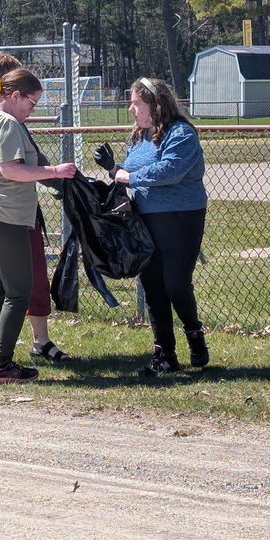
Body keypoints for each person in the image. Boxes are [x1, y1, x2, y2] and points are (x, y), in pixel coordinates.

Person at [0, 53, 74, 369]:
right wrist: (55, 171)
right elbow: (10, 170)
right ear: (14, 95)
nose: (31, 111)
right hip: (3, 217)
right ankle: (2, 364)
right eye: (31, 103)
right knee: (18, 293)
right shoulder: (6, 122)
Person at [94, 77, 209, 376]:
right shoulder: (140, 137)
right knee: (153, 285)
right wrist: (112, 169)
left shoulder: (180, 133)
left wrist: (126, 178)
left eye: (136, 103)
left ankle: (194, 334)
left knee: (176, 282)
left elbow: (169, 170)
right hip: (145, 218)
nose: (131, 109)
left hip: (181, 217)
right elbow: (129, 172)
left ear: (155, 105)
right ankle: (164, 354)